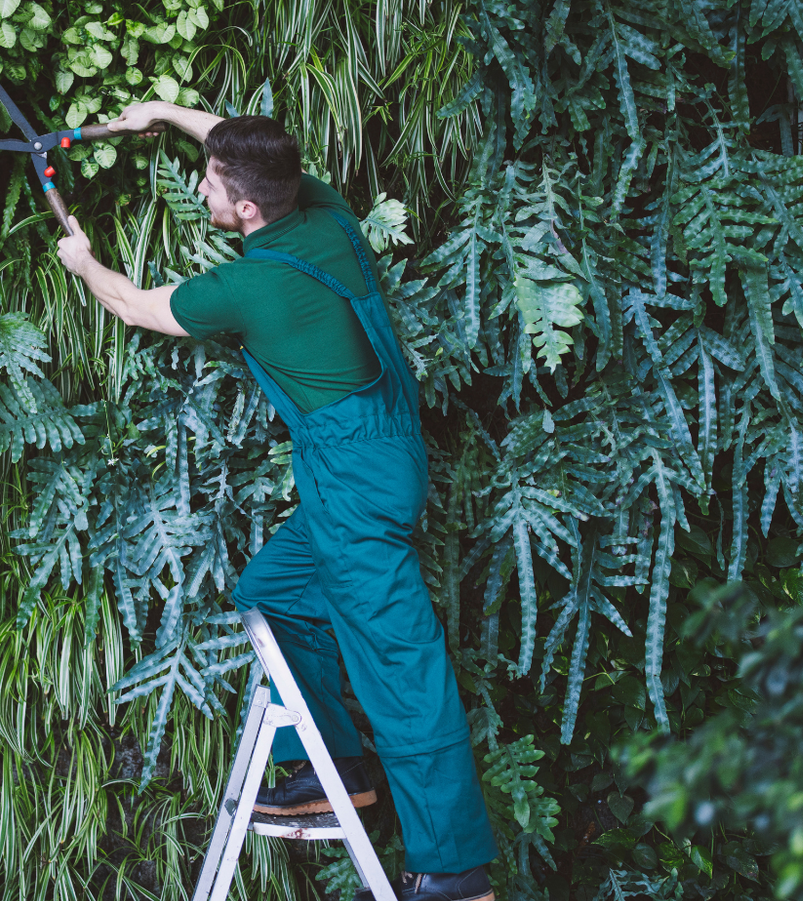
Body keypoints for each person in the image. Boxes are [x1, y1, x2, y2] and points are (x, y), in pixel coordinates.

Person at [53, 100, 498, 901]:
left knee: (402, 664)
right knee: (275, 595)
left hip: (354, 484)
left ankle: (455, 871)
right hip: (379, 453)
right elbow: (250, 147)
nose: (203, 189)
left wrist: (84, 262)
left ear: (246, 208)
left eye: (211, 185)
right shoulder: (324, 217)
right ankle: (337, 776)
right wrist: (158, 112)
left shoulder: (249, 286)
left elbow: (133, 304)